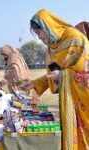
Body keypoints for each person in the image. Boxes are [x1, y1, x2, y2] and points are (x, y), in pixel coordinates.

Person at [22, 9, 89, 149]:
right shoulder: (51, 48)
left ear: (48, 27)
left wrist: (62, 76)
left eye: (39, 32)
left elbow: (85, 71)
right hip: (69, 99)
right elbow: (54, 73)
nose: (39, 37)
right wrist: (35, 83)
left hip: (84, 100)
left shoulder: (75, 39)